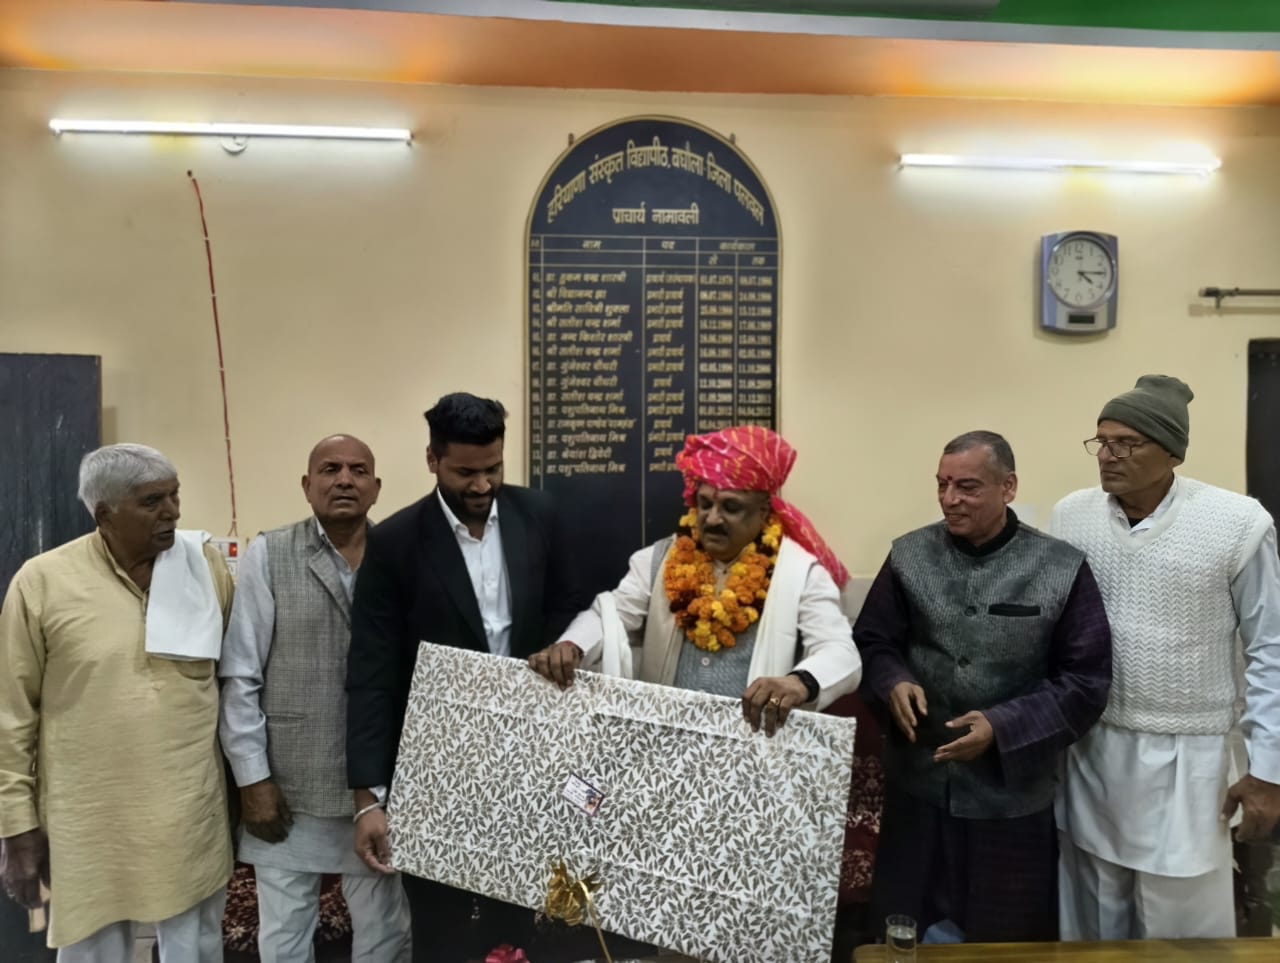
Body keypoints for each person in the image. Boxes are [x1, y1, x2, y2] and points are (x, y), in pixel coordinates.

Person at [345, 393, 583, 961]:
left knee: (529, 920)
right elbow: (372, 672)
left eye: (493, 469)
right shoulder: (395, 542)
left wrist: (567, 646)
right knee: (442, 925)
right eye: (465, 473)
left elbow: (571, 609)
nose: (482, 485)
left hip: (532, 757)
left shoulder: (541, 516)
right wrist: (368, 798)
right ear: (432, 460)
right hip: (436, 766)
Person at [856, 430, 1112, 943]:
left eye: (968, 487)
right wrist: (894, 681)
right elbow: (872, 641)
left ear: (1008, 487)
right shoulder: (909, 556)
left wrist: (1002, 726)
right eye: (942, 484)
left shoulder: (1060, 568)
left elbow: (1086, 682)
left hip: (1010, 802)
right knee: (899, 934)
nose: (950, 499)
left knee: (1006, 943)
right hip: (918, 789)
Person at [1050, 375, 1280, 940]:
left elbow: (1271, 649)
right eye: (1101, 441)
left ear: (1172, 452)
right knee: (1093, 920)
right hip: (1093, 752)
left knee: (1182, 930)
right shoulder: (1072, 517)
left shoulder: (1237, 524)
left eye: (1127, 443)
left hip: (1190, 761)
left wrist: (1268, 772)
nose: (1108, 455)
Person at [0, 443, 234, 961]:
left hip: (189, 813)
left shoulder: (204, 567)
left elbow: (234, 682)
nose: (172, 512)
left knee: (194, 945)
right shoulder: (42, 582)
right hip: (88, 818)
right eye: (152, 501)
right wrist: (15, 827)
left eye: (174, 496)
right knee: (92, 948)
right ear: (104, 514)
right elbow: (10, 717)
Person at [530, 425, 862, 732]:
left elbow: (840, 652)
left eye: (731, 508)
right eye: (705, 504)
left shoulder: (801, 574)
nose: (713, 519)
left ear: (763, 512)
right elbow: (610, 616)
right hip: (664, 741)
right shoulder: (659, 560)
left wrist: (799, 682)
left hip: (754, 748)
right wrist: (572, 645)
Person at [219, 434, 411, 962]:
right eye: (330, 469)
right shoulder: (270, 553)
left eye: (357, 470)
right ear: (307, 486)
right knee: (284, 933)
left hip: (379, 785)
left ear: (376, 488)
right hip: (289, 782)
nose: (344, 479)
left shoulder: (400, 555)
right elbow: (240, 675)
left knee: (386, 930)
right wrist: (252, 779)